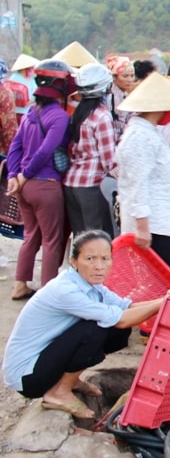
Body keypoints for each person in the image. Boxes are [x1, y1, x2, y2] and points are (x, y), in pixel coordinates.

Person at [2, 230, 170, 419]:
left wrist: (166, 298)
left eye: (105, 258)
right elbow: (122, 318)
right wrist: (162, 303)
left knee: (116, 332)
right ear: (74, 261)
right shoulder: (65, 290)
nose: (99, 266)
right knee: (95, 328)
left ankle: (72, 380)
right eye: (90, 259)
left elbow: (126, 306)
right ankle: (59, 392)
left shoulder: (93, 286)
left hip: (45, 360)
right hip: (27, 377)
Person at [115, 73, 170, 285]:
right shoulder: (140, 136)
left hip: (160, 222)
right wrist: (142, 227)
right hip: (152, 226)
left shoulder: (147, 132)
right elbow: (138, 183)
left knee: (162, 286)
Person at [7, 59, 76, 301]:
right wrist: (24, 175)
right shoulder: (59, 117)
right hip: (45, 185)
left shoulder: (30, 113)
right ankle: (47, 294)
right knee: (52, 240)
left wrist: (14, 176)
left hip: (24, 187)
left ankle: (20, 284)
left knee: (31, 235)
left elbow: (15, 147)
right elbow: (46, 151)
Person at [64, 63, 117, 237]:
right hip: (92, 186)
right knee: (96, 240)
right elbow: (109, 161)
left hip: (71, 183)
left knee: (81, 239)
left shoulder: (76, 113)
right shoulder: (102, 116)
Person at [107, 56, 135, 140]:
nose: (130, 80)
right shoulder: (109, 97)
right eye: (125, 76)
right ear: (114, 77)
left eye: (132, 76)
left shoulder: (126, 95)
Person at [7, 53, 40, 121]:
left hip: (30, 112)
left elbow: (37, 93)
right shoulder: (14, 78)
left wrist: (31, 101)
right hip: (17, 112)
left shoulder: (32, 79)